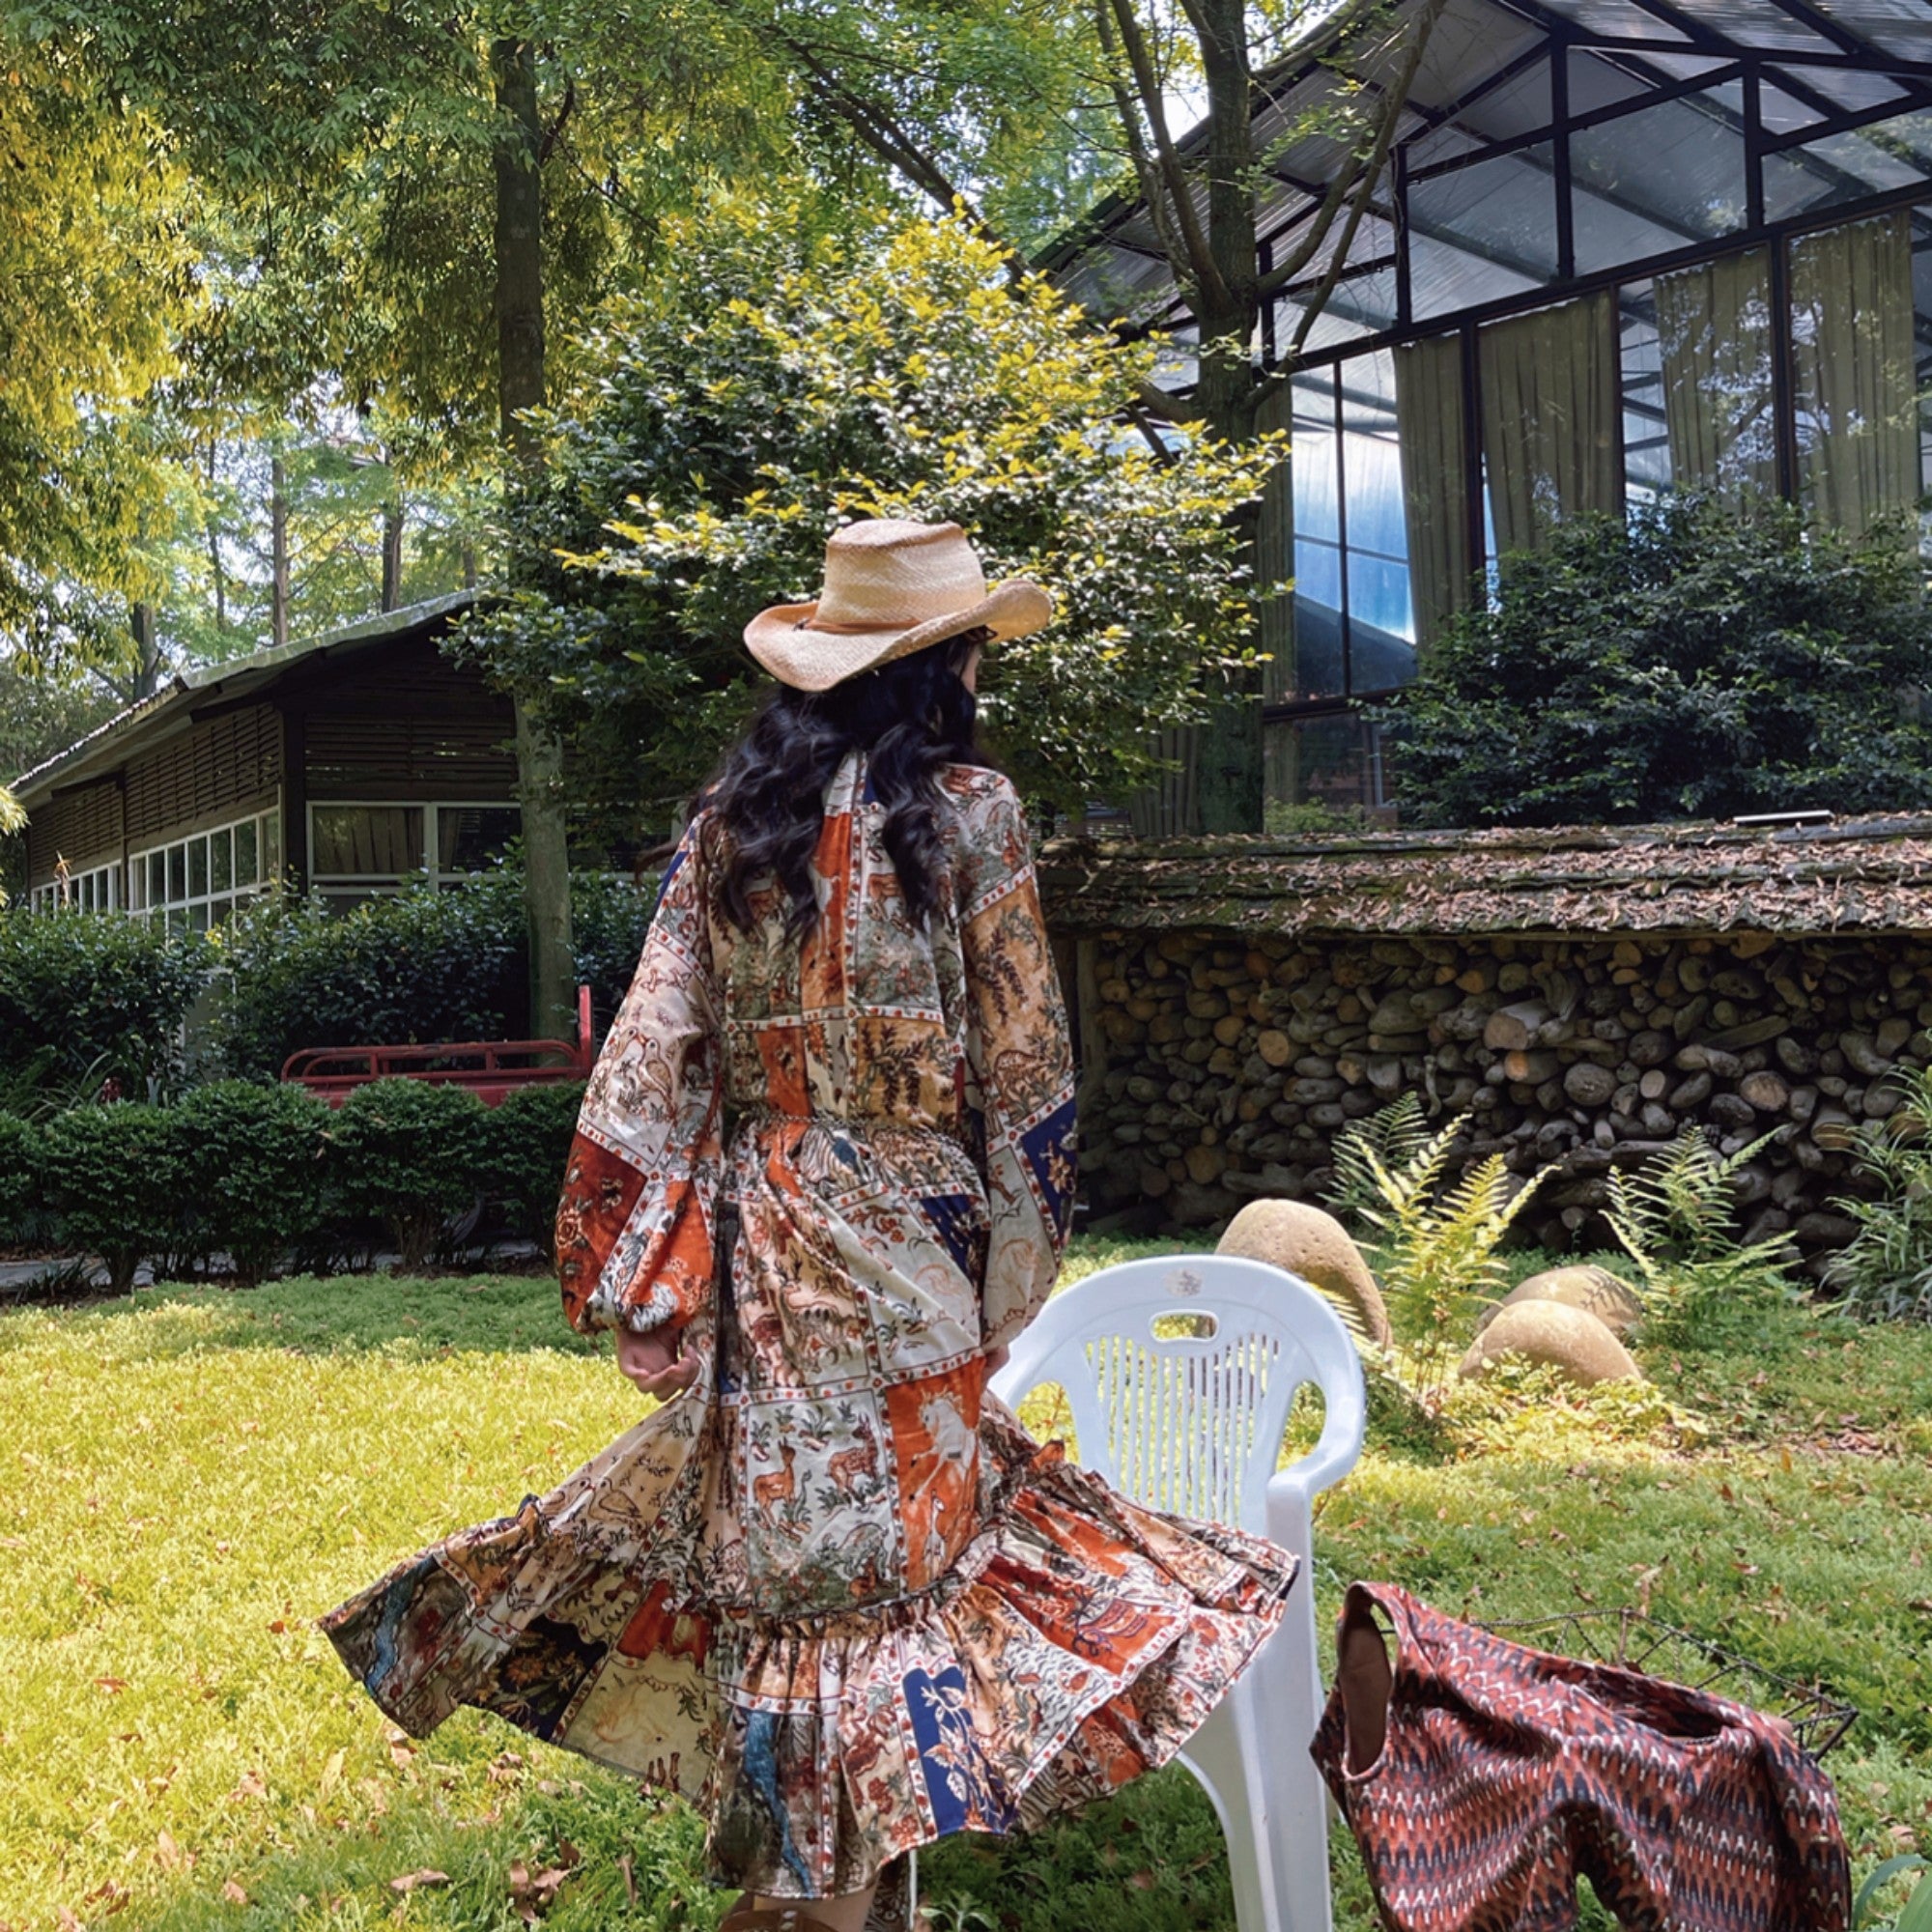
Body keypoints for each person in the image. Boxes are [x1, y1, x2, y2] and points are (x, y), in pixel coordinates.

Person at [323, 518, 1299, 1932]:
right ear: (945, 663)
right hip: (913, 1257)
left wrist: (640, 1275)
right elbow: (1030, 1081)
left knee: (804, 1591)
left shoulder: (733, 829)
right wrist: (1018, 1271)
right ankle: (828, 1915)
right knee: (892, 1593)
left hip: (763, 1253)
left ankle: (837, 1903)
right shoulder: (973, 815)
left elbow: (648, 1065)